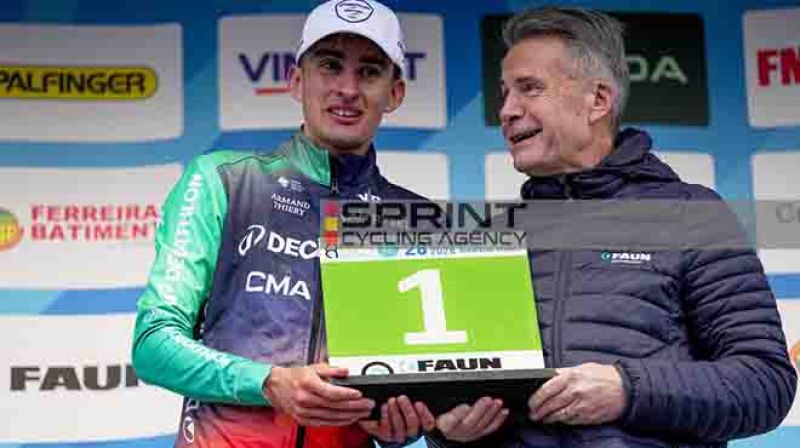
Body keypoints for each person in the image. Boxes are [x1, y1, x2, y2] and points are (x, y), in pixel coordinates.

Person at [430, 6, 797, 447]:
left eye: (529, 88)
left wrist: (628, 389)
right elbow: (460, 404)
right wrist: (449, 432)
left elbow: (764, 383)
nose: (507, 111)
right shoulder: (489, 239)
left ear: (598, 100)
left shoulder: (690, 214)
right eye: (505, 93)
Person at [130, 1, 479, 446]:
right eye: (330, 66)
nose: (347, 88)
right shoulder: (223, 180)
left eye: (369, 72)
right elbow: (153, 344)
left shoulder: (418, 220)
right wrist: (268, 382)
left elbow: (414, 394)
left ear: (394, 94)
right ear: (296, 80)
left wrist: (397, 426)